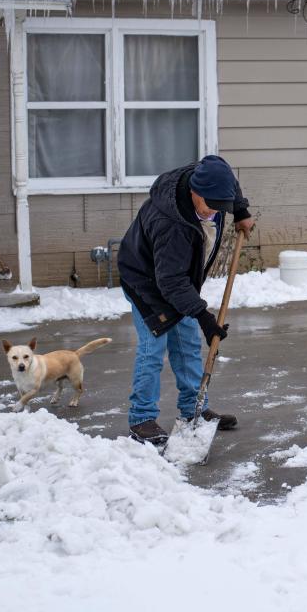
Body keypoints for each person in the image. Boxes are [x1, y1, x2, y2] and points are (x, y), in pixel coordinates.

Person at [117, 154, 255, 446]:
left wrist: (240, 209)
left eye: (222, 207)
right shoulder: (171, 224)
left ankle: (195, 411)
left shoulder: (209, 175)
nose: (215, 213)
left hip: (175, 280)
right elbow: (170, 282)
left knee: (188, 345)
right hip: (146, 281)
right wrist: (204, 316)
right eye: (211, 206)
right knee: (153, 348)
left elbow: (226, 176)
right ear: (195, 191)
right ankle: (141, 419)